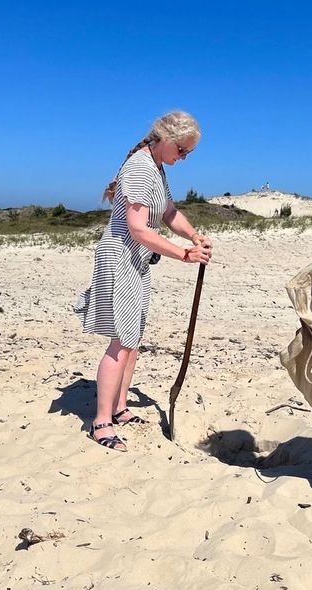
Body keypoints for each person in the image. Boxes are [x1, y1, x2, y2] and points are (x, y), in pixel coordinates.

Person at [75, 111, 213, 451]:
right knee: (121, 340)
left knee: (132, 338)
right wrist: (183, 254)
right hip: (120, 255)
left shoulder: (156, 167)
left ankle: (120, 407)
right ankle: (102, 421)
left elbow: (167, 212)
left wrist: (194, 235)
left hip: (136, 259)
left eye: (188, 154)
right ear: (165, 139)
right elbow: (138, 228)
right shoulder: (139, 167)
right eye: (182, 150)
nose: (183, 159)